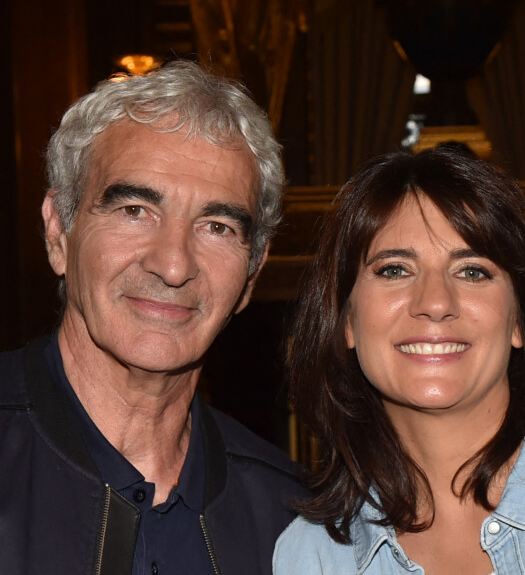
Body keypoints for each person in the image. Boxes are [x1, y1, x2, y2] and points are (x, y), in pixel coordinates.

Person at [0, 59, 307, 575]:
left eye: (216, 226)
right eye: (134, 211)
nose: (173, 264)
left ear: (252, 275)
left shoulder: (292, 523)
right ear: (59, 232)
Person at [274, 146, 525, 574]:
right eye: (394, 269)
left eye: (472, 271)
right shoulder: (309, 558)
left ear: (520, 319)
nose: (435, 303)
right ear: (345, 320)